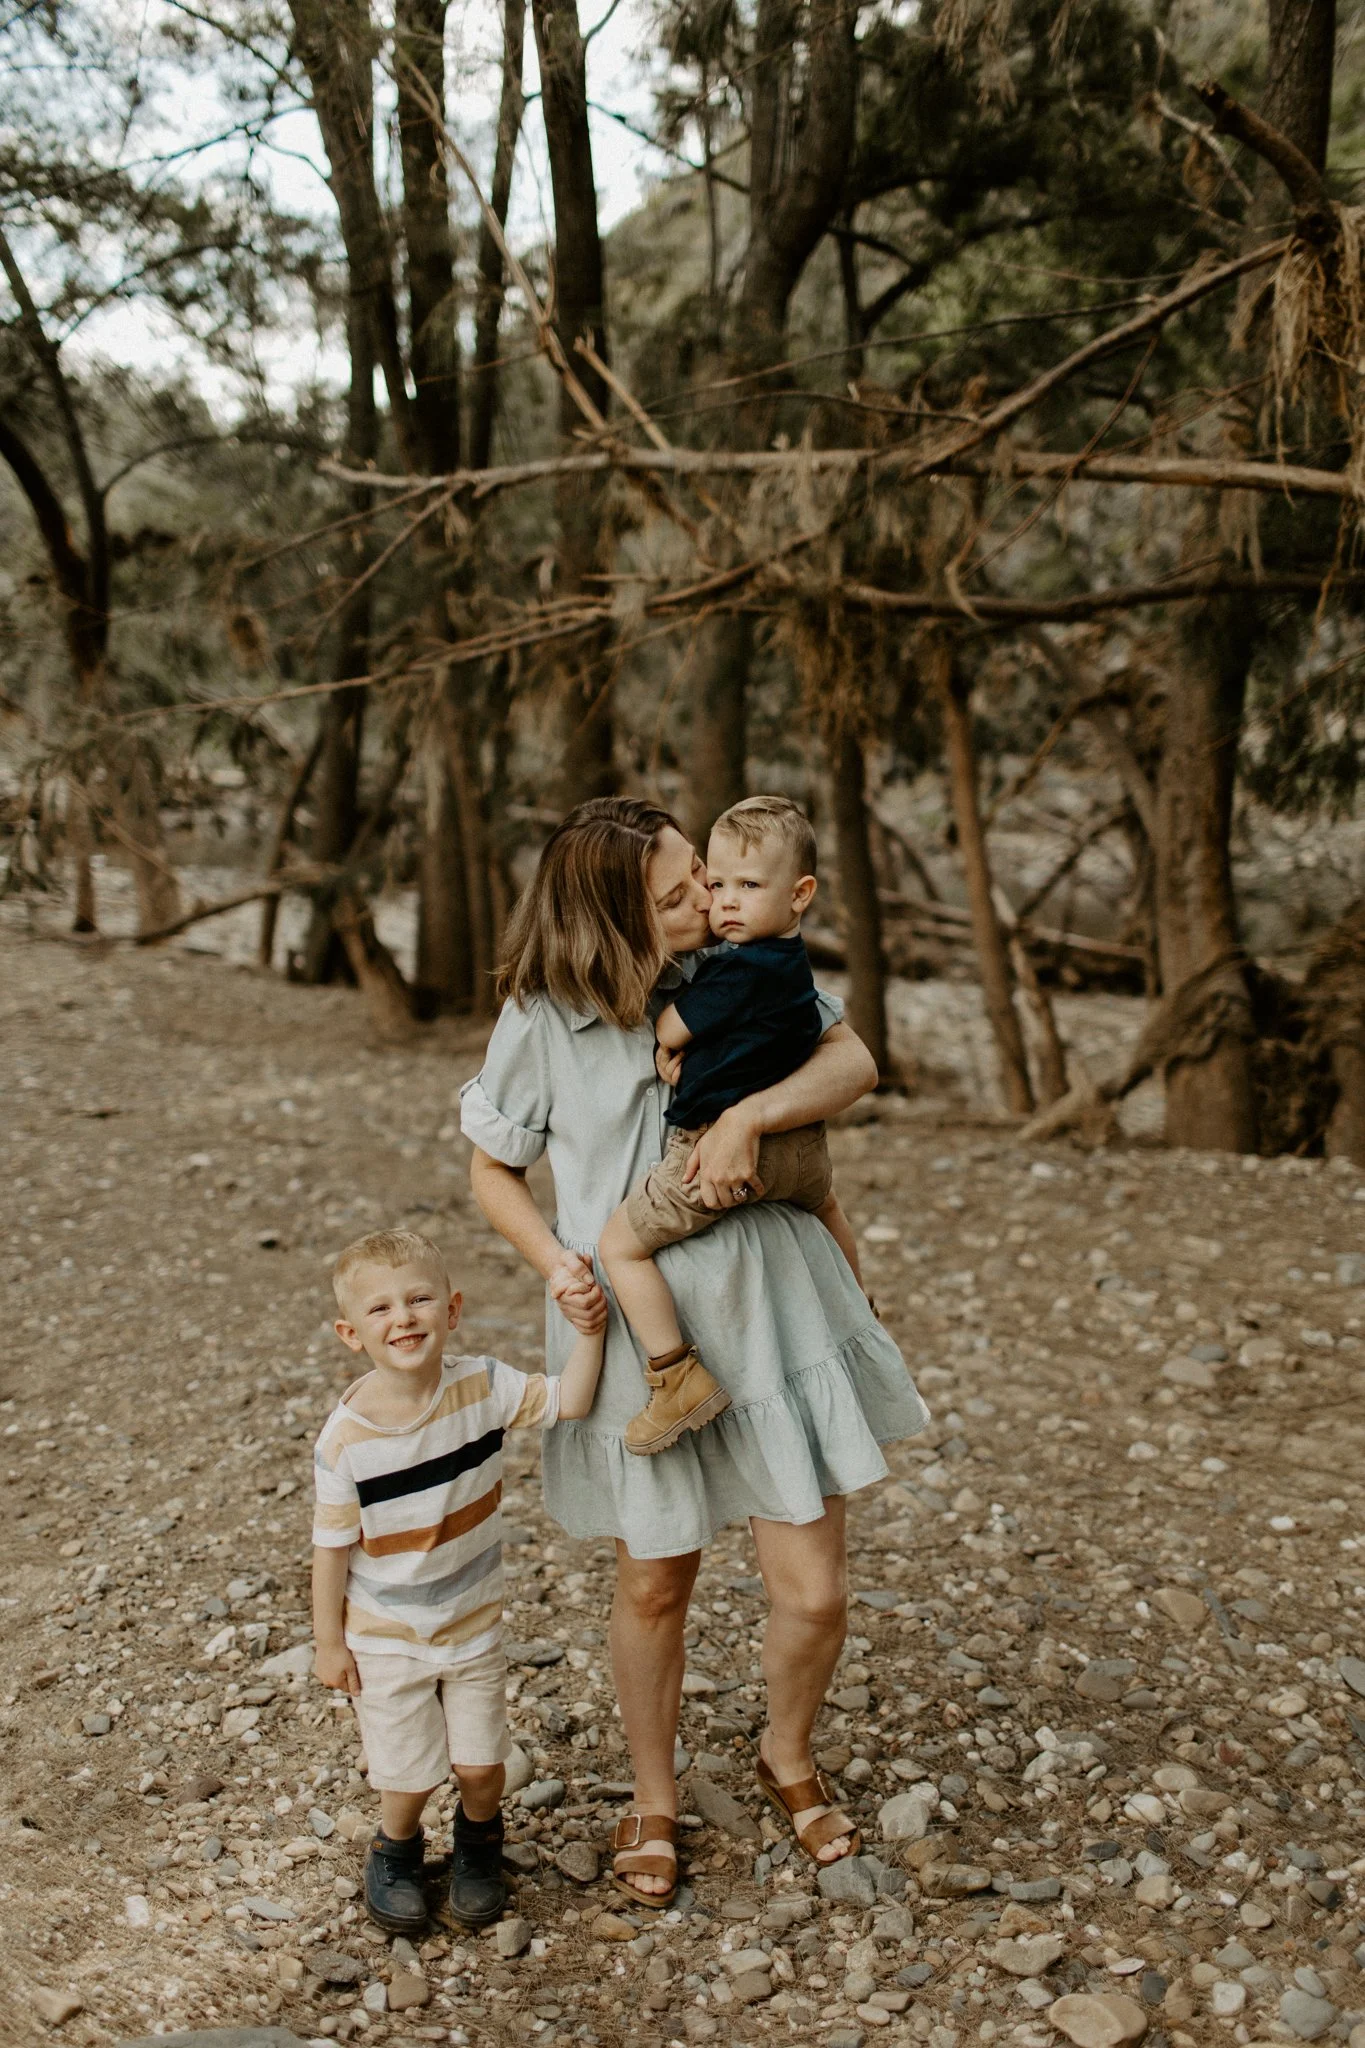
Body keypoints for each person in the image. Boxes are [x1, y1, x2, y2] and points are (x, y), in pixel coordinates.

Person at [461, 798, 929, 1907]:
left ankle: (785, 1751)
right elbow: (491, 1168)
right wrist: (555, 1262)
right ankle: (654, 1792)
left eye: (705, 880)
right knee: (655, 1579)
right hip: (639, 1335)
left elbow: (852, 1060)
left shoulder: (742, 963)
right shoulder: (542, 1015)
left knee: (814, 1591)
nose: (704, 899)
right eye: (676, 892)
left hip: (772, 1309)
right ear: (612, 910)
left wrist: (749, 1115)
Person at [311, 1227, 604, 1934]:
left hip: (472, 1621)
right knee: (407, 1771)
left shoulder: (483, 1386)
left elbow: (570, 1399)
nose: (403, 1318)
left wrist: (589, 1331)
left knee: (480, 1764)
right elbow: (331, 1549)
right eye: (380, 1309)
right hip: (386, 1632)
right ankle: (397, 1850)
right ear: (351, 1334)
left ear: (452, 1309)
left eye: (418, 1300)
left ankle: (478, 1843)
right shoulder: (345, 1441)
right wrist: (328, 1642)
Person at [598, 795, 864, 1455]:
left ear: (801, 893)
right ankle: (860, 1313)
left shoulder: (737, 968)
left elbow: (668, 1026)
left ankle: (675, 1377)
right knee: (827, 1205)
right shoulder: (792, 964)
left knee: (619, 1248)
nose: (724, 903)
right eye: (716, 885)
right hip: (802, 1151)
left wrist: (668, 1041)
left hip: (719, 1151)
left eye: (747, 886)